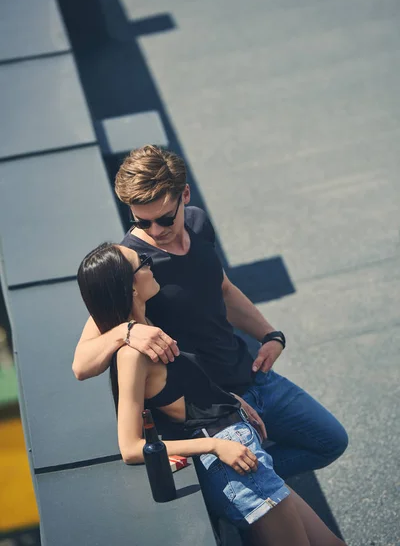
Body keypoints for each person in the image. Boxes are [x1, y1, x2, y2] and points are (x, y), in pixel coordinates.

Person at [73, 144, 348, 480]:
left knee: (331, 441)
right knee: (263, 488)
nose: (156, 231)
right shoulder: (132, 263)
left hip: (252, 375)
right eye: (142, 221)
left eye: (164, 218)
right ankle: (247, 490)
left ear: (184, 195)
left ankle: (249, 486)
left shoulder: (198, 223)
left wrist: (270, 335)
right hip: (215, 407)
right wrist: (125, 332)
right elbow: (82, 364)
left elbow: (223, 289)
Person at [77, 242, 346, 546]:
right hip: (231, 455)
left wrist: (235, 402)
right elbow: (131, 447)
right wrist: (216, 446)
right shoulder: (132, 355)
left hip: (240, 444)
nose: (149, 263)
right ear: (131, 287)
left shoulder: (146, 323)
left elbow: (188, 386)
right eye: (142, 262)